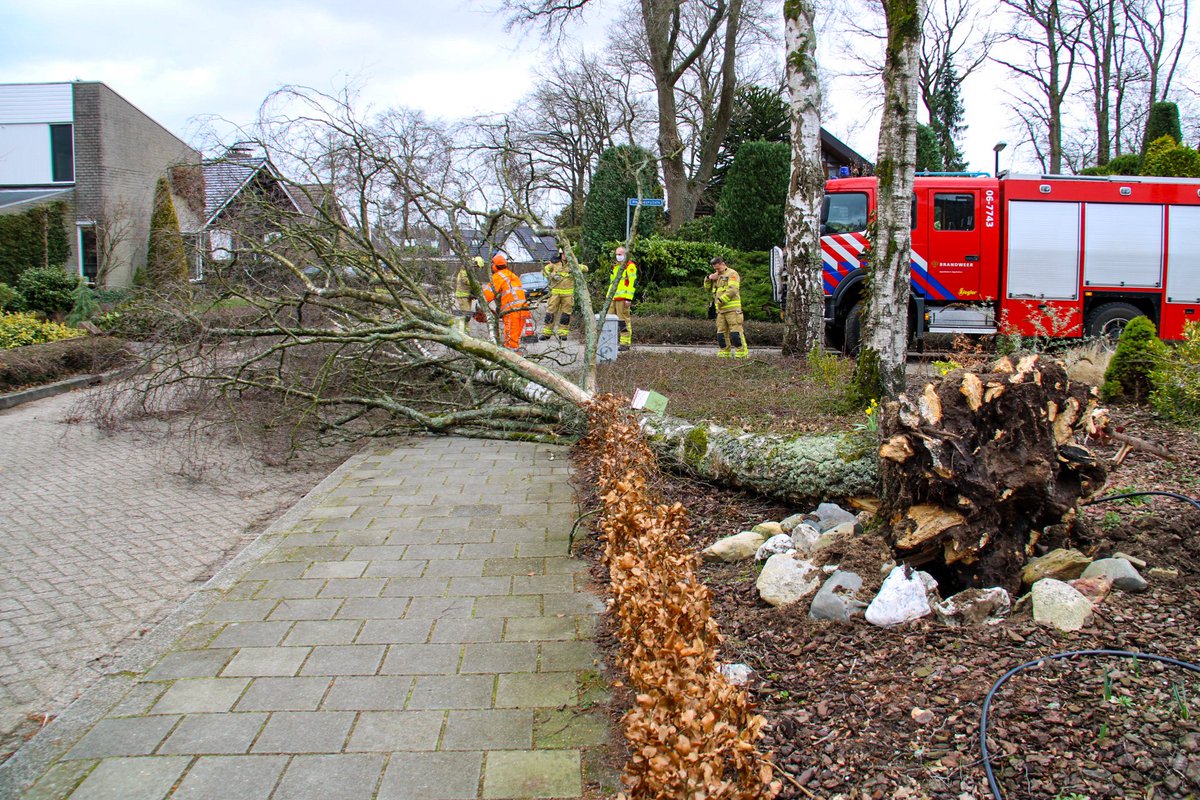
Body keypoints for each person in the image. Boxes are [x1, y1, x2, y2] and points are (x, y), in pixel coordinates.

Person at [482, 253, 531, 351]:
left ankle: (511, 358)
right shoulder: (512, 275)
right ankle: (515, 356)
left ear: (494, 265)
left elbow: (486, 296)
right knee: (515, 339)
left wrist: (479, 301)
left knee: (510, 341)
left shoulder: (497, 277)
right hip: (523, 309)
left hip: (512, 311)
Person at [704, 255, 748, 358]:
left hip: (732, 310)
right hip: (720, 310)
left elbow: (733, 289)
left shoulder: (732, 274)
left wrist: (721, 300)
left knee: (736, 333)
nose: (717, 270)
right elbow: (707, 289)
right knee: (721, 334)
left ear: (723, 264)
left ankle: (741, 354)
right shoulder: (716, 275)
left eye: (718, 268)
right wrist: (709, 278)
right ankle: (724, 354)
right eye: (715, 269)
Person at [540, 249, 588, 340]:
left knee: (566, 314)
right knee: (550, 313)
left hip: (568, 294)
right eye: (563, 254)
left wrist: (576, 268)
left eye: (567, 254)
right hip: (555, 293)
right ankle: (547, 333)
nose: (565, 256)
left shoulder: (572, 264)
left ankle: (563, 333)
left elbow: (585, 268)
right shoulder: (554, 263)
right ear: (560, 254)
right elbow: (544, 271)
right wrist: (552, 275)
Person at [608, 245, 637, 350]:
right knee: (608, 320)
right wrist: (608, 297)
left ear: (625, 255)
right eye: (616, 254)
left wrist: (628, 298)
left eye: (619, 254)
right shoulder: (615, 266)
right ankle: (608, 342)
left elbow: (632, 283)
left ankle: (625, 343)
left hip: (623, 298)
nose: (617, 256)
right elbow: (612, 283)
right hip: (613, 298)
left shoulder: (630, 266)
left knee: (623, 321)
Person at [455, 256, 484, 324]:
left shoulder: (470, 272)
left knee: (467, 315)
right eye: (477, 267)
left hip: (467, 296)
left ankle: (465, 328)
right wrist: (476, 284)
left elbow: (471, 284)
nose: (477, 269)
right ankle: (461, 327)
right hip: (462, 296)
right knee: (466, 316)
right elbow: (466, 281)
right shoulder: (464, 271)